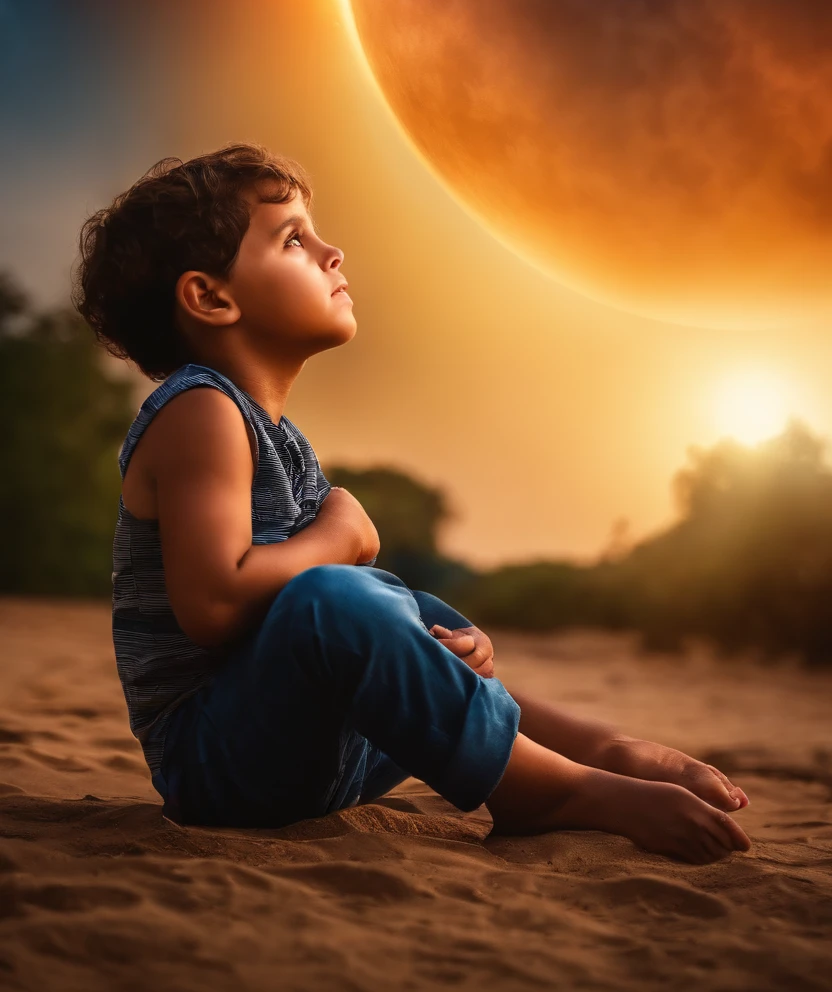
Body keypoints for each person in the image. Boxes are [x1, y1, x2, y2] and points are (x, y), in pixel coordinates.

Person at [71, 141, 751, 864]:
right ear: (211, 296)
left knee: (399, 605)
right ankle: (544, 787)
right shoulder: (199, 411)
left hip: (310, 755)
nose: (332, 252)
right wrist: (342, 534)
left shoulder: (277, 437)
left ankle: (594, 747)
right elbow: (212, 605)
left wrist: (438, 647)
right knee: (339, 595)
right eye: (294, 238)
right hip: (217, 765)